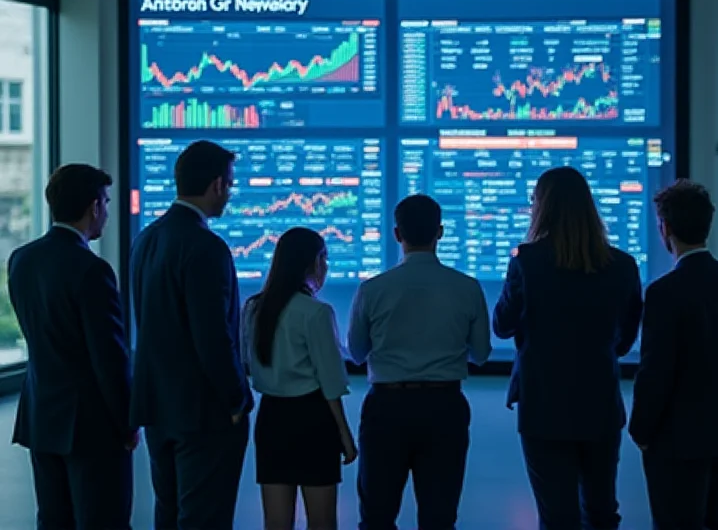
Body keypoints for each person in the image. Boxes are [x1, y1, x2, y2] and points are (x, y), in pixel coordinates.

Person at [493, 166, 643, 530]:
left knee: (557, 516)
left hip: (543, 407)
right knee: (602, 510)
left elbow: (502, 325)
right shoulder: (622, 265)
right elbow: (625, 341)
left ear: (542, 208)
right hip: (600, 404)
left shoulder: (527, 261)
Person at [347, 194, 492, 530]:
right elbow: (482, 354)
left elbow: (356, 353)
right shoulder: (468, 288)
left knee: (377, 515)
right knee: (439, 517)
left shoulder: (371, 290)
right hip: (445, 407)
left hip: (386, 407)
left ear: (397, 235)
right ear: (440, 232)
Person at [130, 140, 253, 529]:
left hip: (158, 407)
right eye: (230, 185)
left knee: (169, 512)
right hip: (204, 412)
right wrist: (236, 399)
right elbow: (213, 336)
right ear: (216, 184)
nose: (230, 194)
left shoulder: (146, 239)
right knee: (205, 518)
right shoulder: (206, 247)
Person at [8, 164, 136, 529]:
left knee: (53, 520)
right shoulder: (91, 269)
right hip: (91, 426)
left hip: (41, 416)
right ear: (94, 207)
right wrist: (127, 422)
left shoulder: (22, 260)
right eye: (106, 204)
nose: (107, 214)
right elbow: (108, 357)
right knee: (103, 521)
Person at [629, 180, 718, 530]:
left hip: (677, 437)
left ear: (664, 228)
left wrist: (641, 428)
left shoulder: (663, 293)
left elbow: (656, 372)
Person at [241, 227, 357, 530]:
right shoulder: (316, 312)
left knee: (276, 523)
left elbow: (248, 363)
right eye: (325, 259)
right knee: (321, 523)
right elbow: (331, 382)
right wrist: (344, 434)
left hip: (271, 419)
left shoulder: (254, 308)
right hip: (313, 419)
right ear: (314, 262)